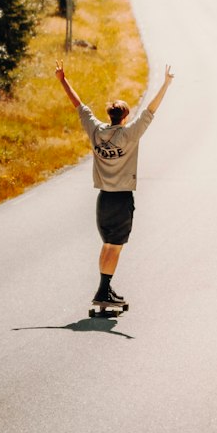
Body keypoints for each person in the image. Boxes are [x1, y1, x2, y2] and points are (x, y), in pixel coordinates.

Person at [55, 59, 174, 307]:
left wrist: (63, 80)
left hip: (103, 199)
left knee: (107, 244)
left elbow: (79, 105)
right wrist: (166, 84)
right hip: (121, 199)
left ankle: (105, 288)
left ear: (110, 115)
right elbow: (150, 110)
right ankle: (103, 290)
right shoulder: (130, 134)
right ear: (126, 116)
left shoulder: (96, 131)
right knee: (115, 246)